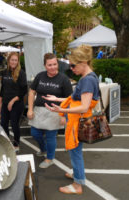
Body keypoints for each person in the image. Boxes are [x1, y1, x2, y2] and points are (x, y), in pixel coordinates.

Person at [44, 45, 100, 194]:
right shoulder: (88, 77)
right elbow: (76, 99)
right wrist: (57, 98)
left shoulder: (87, 80)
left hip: (78, 122)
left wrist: (62, 109)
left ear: (83, 63)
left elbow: (83, 106)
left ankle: (77, 185)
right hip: (80, 121)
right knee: (76, 152)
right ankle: (77, 175)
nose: (71, 68)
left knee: (75, 153)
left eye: (73, 65)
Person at [27, 53, 72, 168]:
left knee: (50, 136)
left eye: (55, 64)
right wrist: (30, 109)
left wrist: (63, 115)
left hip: (55, 111)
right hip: (39, 110)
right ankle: (43, 149)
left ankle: (49, 158)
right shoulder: (40, 76)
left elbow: (69, 99)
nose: (53, 67)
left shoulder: (64, 79)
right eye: (49, 65)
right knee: (35, 133)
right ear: (45, 65)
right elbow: (32, 92)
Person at [0, 52, 28, 152]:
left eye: (16, 60)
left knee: (15, 124)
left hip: (17, 103)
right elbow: (3, 88)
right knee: (3, 124)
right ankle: (6, 143)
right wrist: (0, 102)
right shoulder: (5, 72)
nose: (14, 62)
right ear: (8, 60)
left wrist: (12, 101)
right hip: (5, 102)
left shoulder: (21, 73)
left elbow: (24, 90)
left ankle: (16, 144)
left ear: (18, 62)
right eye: (12, 60)